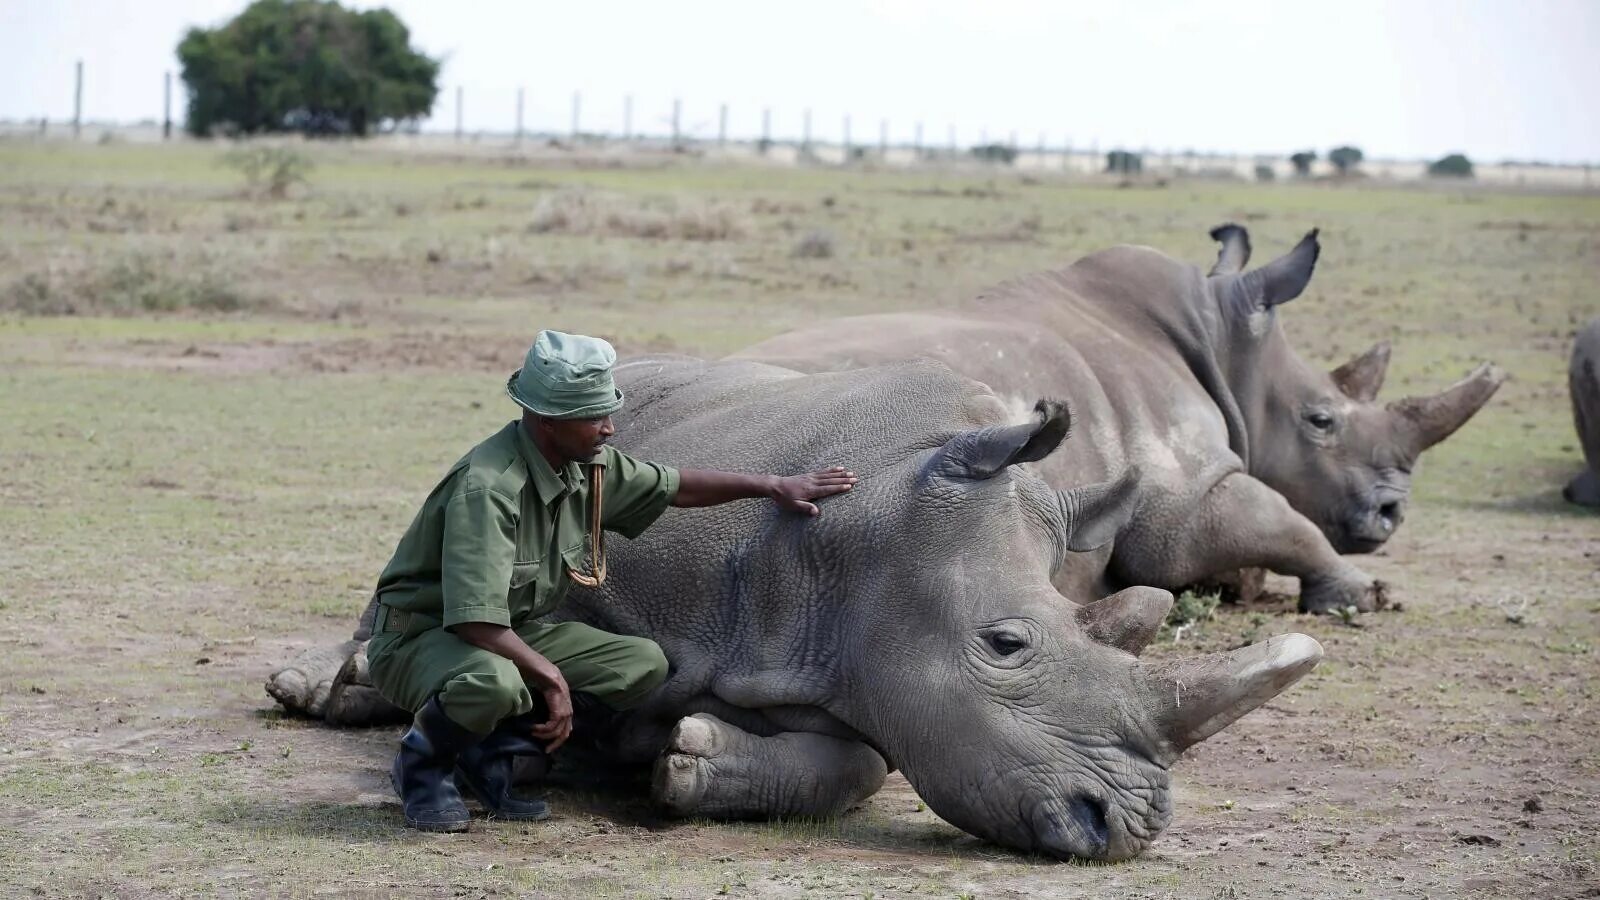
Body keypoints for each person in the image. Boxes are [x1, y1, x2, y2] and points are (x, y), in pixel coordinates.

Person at [365, 330, 856, 832]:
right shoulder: (488, 489)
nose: (610, 428)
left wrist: (773, 486)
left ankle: (491, 752)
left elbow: (675, 487)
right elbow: (475, 622)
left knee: (640, 664)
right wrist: (552, 678)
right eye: (595, 417)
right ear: (549, 421)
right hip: (423, 636)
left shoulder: (582, 468)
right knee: (494, 680)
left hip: (508, 630)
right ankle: (421, 767)